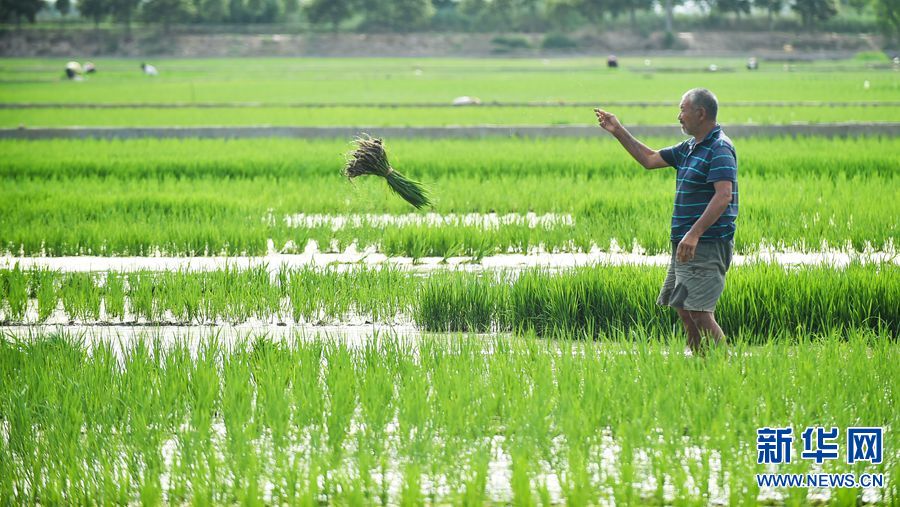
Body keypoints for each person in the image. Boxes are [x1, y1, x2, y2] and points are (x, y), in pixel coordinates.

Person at [594, 88, 739, 354]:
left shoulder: (719, 148)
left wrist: (694, 234)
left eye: (683, 109)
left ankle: (725, 370)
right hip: (685, 246)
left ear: (701, 113)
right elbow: (649, 159)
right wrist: (617, 130)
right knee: (685, 310)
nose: (679, 116)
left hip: (705, 244)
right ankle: (701, 368)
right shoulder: (690, 148)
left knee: (700, 313)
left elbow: (723, 196)